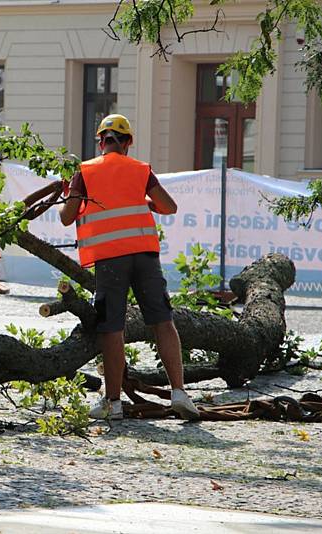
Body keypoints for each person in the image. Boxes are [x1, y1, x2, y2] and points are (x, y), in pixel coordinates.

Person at [59, 114, 200, 421]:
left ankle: (113, 402)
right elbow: (169, 207)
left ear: (101, 142)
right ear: (127, 143)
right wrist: (143, 203)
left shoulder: (84, 172)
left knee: (112, 328)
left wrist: (69, 194)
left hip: (110, 259)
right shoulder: (141, 170)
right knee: (163, 320)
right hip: (145, 255)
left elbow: (67, 217)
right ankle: (179, 392)